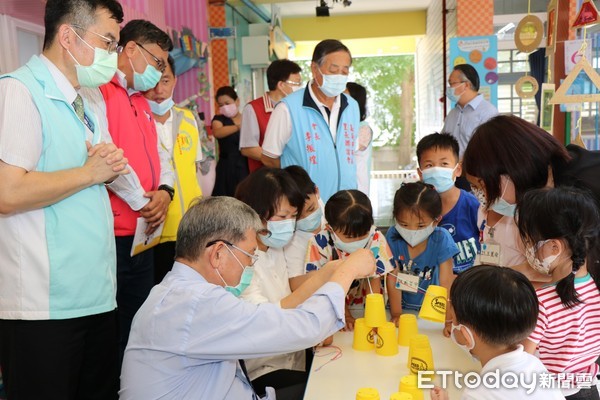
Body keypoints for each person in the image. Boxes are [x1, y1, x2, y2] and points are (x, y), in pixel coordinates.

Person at [119, 196, 376, 400]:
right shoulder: (195, 303)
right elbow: (303, 327)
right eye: (249, 254)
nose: (252, 263)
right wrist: (348, 270)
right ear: (218, 253)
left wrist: (331, 273)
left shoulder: (176, 293)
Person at [0, 0, 128, 397]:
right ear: (69, 36)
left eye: (116, 46)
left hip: (96, 294)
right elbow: (7, 192)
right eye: (108, 42)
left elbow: (105, 168)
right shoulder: (19, 91)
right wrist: (89, 173)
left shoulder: (89, 100)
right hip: (44, 307)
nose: (113, 56)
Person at [83, 18, 174, 360]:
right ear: (131, 49)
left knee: (140, 321)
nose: (158, 71)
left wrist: (164, 192)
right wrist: (141, 201)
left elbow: (157, 157)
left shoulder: (140, 100)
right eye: (157, 62)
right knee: (114, 327)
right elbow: (106, 156)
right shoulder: (100, 91)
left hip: (144, 232)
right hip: (114, 233)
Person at [235, 167, 341, 399]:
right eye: (282, 217)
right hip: (263, 371)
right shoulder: (240, 263)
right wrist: (325, 275)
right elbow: (268, 318)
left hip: (294, 359)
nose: (289, 224)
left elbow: (294, 296)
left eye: (293, 217)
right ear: (256, 213)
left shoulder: (275, 248)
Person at [430, 265, 564, 400]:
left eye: (452, 318)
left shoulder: (479, 394)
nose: (451, 324)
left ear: (467, 336)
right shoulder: (534, 364)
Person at [517, 187, 600, 399]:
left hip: (549, 392)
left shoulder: (542, 302)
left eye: (529, 241)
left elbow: (521, 362)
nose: (528, 249)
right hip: (587, 389)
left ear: (554, 247)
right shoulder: (594, 289)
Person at [261, 39, 360, 202]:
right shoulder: (288, 108)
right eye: (334, 70)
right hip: (306, 205)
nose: (340, 76)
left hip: (346, 205)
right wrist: (296, 185)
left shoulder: (352, 106)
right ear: (315, 68)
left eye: (345, 71)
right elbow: (269, 157)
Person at [144, 55, 203, 283]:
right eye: (152, 82)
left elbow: (192, 171)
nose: (159, 90)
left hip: (190, 228)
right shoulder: (138, 120)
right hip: (154, 229)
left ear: (175, 81)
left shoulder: (188, 119)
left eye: (165, 81)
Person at [463, 114, 600, 208]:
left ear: (513, 168)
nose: (484, 198)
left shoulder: (581, 189)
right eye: (476, 188)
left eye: (482, 186)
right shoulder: (549, 186)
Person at [305, 189, 393, 330]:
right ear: (330, 229)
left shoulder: (375, 238)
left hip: (365, 301)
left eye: (363, 234)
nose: (358, 241)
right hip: (334, 305)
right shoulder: (320, 243)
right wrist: (345, 315)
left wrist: (373, 318)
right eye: (350, 237)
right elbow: (328, 284)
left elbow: (374, 279)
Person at [385, 182, 458, 328]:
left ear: (436, 220)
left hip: (432, 311)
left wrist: (448, 320)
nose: (412, 231)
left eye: (420, 226)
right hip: (401, 308)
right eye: (404, 225)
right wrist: (396, 314)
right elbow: (392, 278)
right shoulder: (393, 235)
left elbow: (447, 282)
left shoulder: (441, 238)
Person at [416, 133, 479, 273]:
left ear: (457, 169)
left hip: (471, 283)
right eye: (429, 165)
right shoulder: (416, 209)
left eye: (444, 164)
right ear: (420, 174)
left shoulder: (474, 205)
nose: (436, 169)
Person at [441, 64, 498, 191]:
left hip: (475, 177)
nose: (449, 89)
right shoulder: (452, 114)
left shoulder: (488, 112)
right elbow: (443, 143)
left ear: (466, 85)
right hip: (451, 177)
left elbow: (490, 150)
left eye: (452, 84)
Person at [240, 59, 302, 173]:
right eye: (296, 83)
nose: (300, 87)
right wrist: (284, 163)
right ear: (281, 85)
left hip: (293, 176)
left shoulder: (296, 107)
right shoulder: (253, 108)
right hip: (266, 178)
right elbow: (248, 148)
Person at [284, 165, 326, 291]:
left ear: (317, 191)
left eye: (311, 209)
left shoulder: (328, 210)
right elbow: (295, 283)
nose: (307, 218)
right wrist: (327, 274)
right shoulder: (290, 240)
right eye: (298, 216)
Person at [212, 85, 249, 196]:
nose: (224, 107)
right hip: (226, 165)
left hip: (244, 164)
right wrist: (238, 127)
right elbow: (217, 132)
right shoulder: (219, 119)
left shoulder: (247, 118)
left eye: (227, 103)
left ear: (237, 101)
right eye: (221, 105)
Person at [346, 82, 373, 195]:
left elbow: (344, 149)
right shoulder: (344, 126)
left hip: (357, 188)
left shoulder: (364, 128)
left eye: (344, 96)